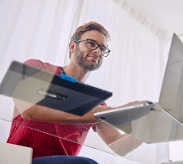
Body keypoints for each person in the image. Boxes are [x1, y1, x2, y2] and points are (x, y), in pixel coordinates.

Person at [7, 21, 146, 164]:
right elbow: (29, 110)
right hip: (20, 160)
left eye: (102, 48)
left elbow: (119, 145)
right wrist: (115, 111)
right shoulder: (37, 68)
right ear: (72, 46)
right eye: (91, 43)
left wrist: (147, 129)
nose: (98, 51)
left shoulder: (96, 102)